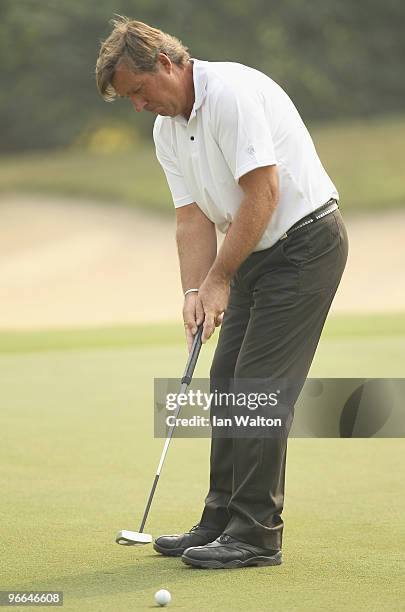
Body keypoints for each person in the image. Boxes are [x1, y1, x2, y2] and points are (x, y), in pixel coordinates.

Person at [96, 16, 348, 570]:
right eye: (128, 100)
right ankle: (221, 518)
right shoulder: (167, 129)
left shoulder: (230, 94)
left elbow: (263, 192)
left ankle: (256, 534)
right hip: (252, 253)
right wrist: (194, 288)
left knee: (257, 389)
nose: (138, 106)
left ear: (165, 63)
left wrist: (219, 279)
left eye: (138, 91)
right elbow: (191, 218)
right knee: (227, 378)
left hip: (303, 245)